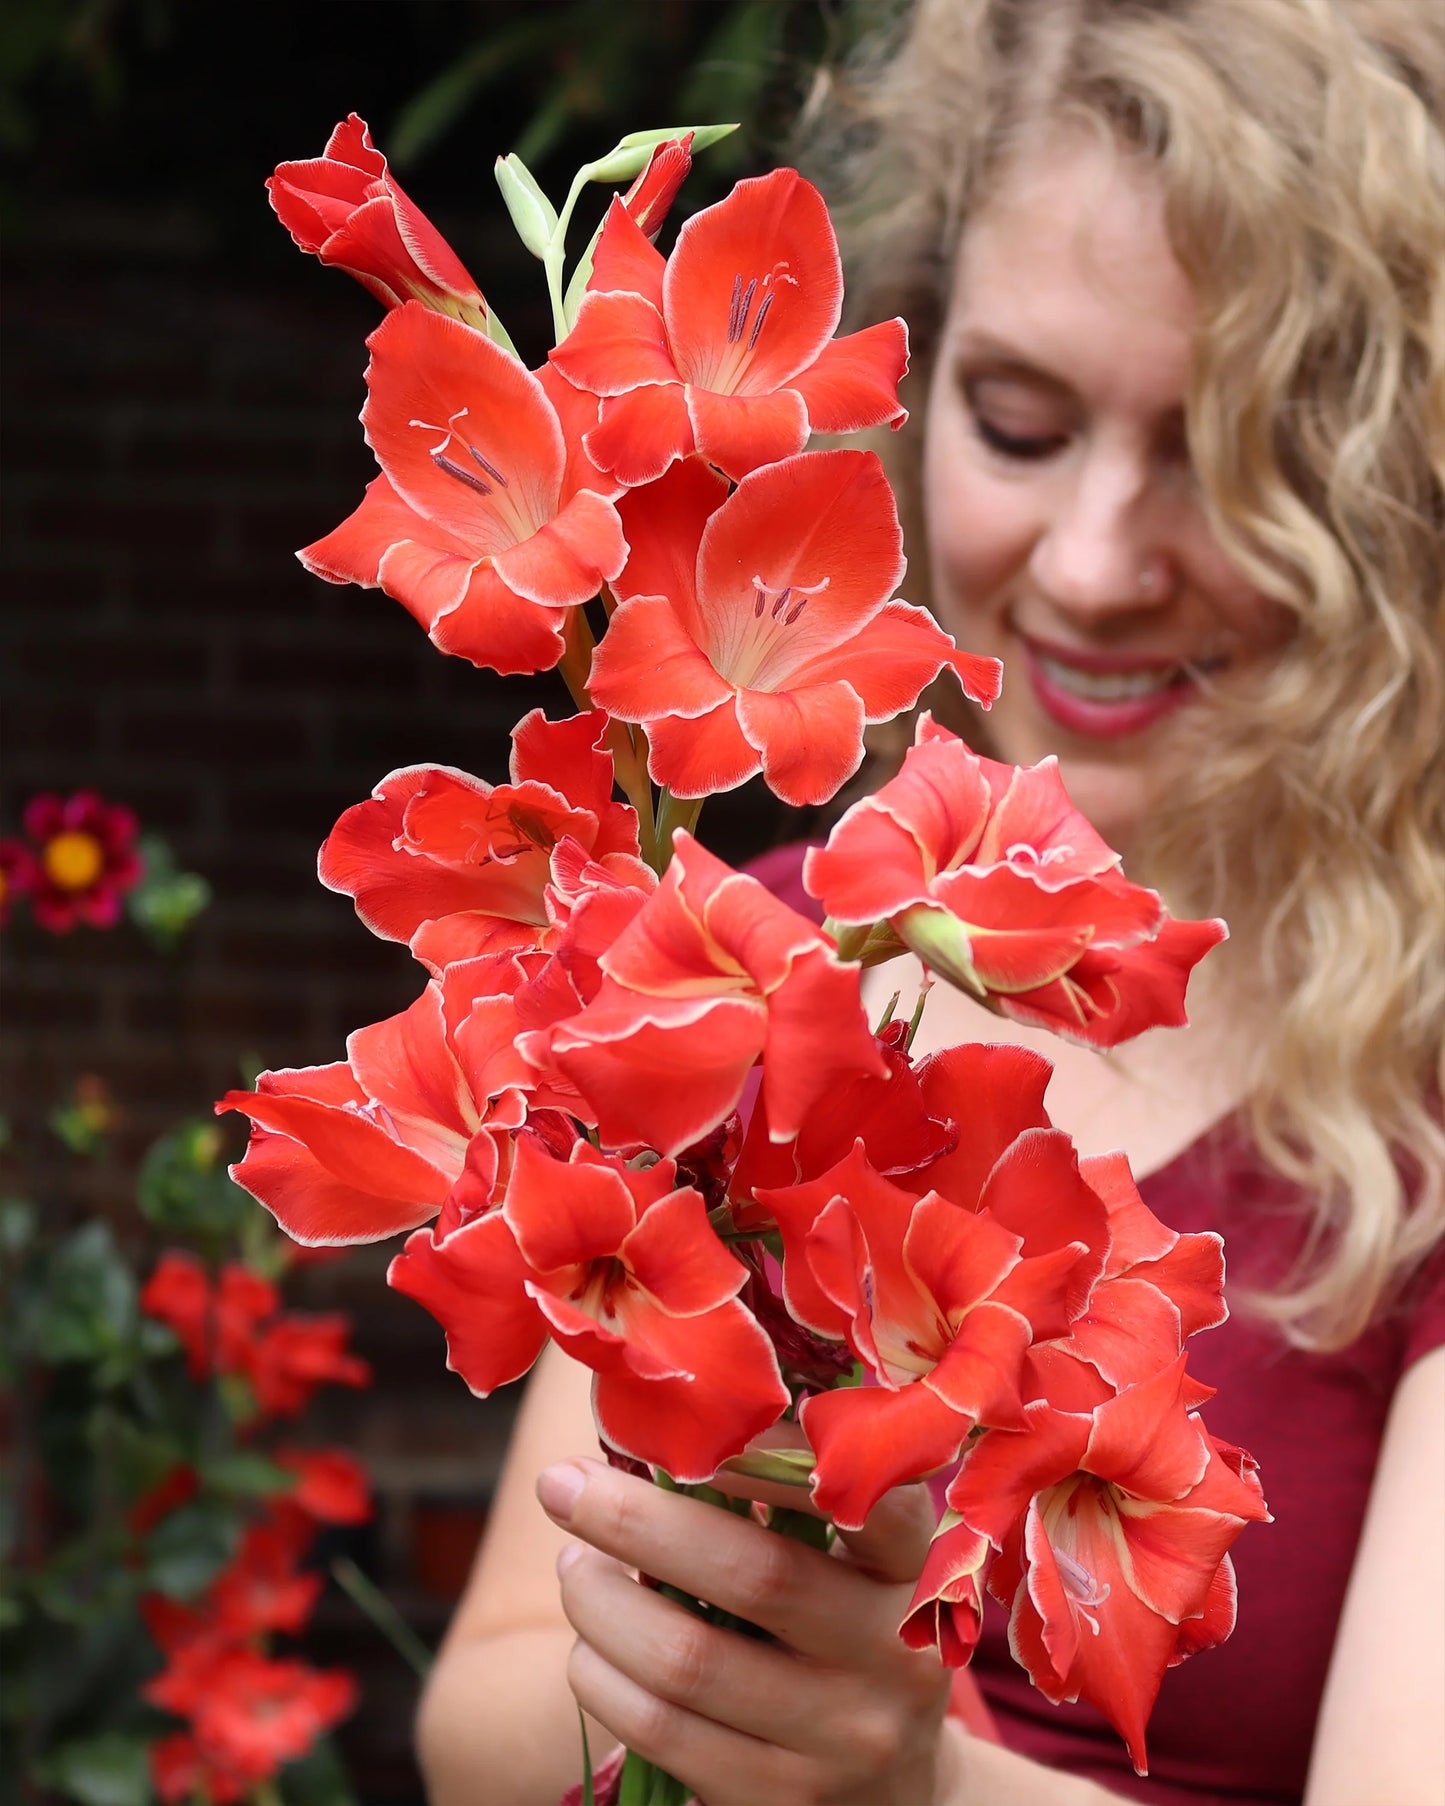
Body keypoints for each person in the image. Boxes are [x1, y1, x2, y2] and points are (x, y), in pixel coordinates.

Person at [413, 3, 1445, 1802]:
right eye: (1019, 424)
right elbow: (480, 1719)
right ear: (912, 384)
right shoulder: (746, 951)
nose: (1094, 565)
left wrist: (911, 1780)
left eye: (1218, 455)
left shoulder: (1415, 1099)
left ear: (1382, 489)